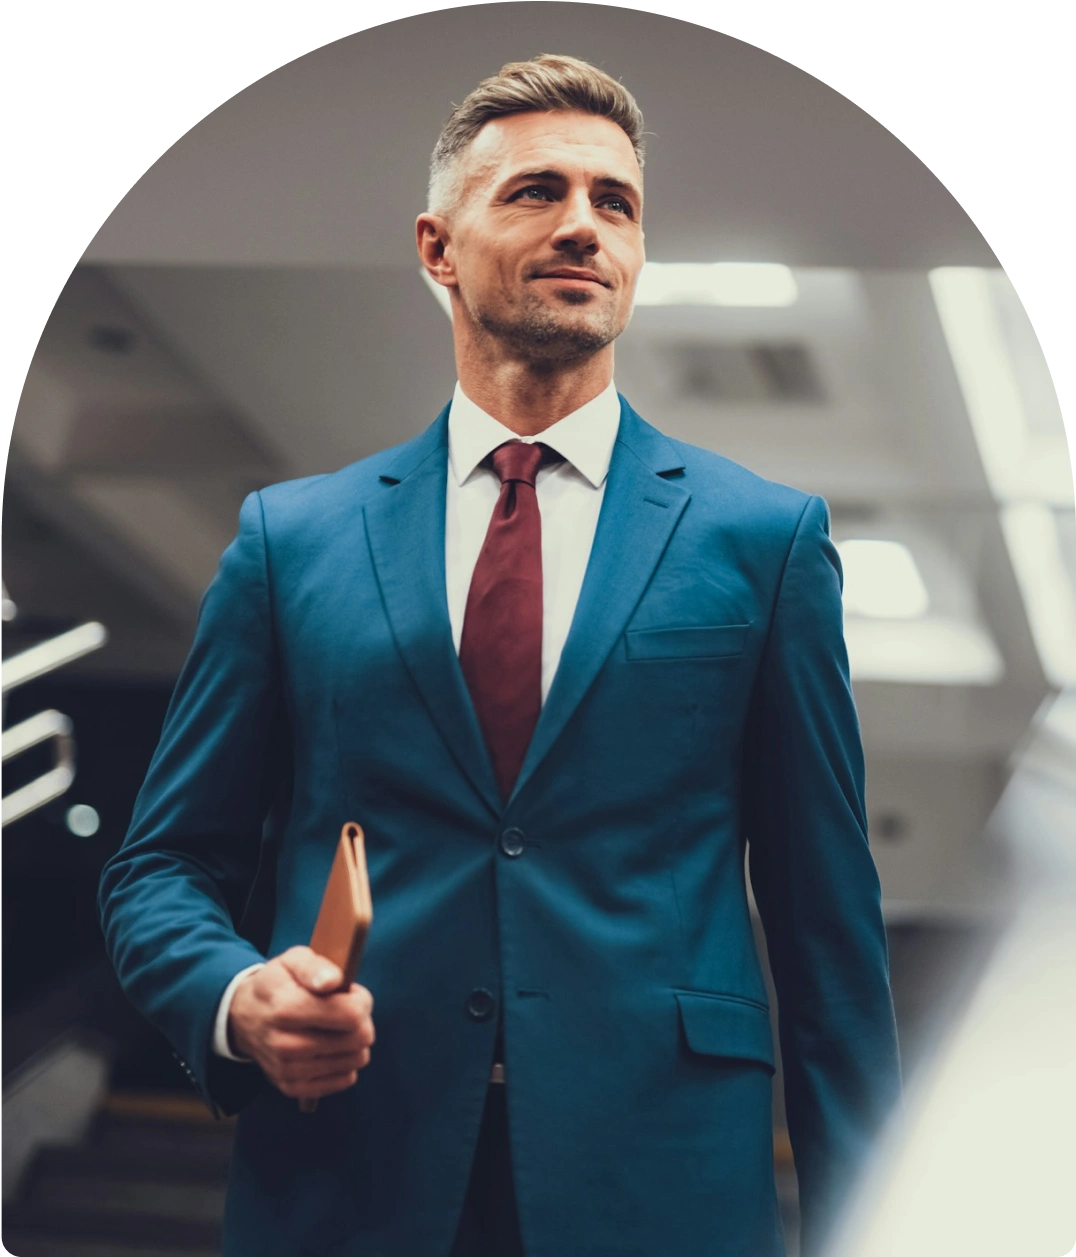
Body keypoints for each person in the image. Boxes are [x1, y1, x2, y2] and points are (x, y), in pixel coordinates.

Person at [98, 53, 902, 1257]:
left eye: (614, 202)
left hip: (659, 1185)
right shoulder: (291, 540)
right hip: (347, 1175)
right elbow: (161, 866)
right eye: (534, 192)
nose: (583, 225)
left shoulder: (761, 541)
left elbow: (826, 931)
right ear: (437, 249)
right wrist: (234, 996)